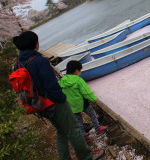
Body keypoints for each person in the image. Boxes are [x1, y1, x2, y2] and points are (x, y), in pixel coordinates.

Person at [12, 31, 104, 160]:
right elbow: (51, 85)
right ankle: (86, 156)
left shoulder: (18, 64)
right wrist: (62, 100)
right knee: (74, 129)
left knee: (61, 132)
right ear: (35, 44)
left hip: (38, 104)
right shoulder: (39, 61)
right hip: (54, 103)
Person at [59, 60, 108, 142]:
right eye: (80, 70)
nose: (80, 72)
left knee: (78, 121)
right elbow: (86, 92)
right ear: (76, 71)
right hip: (82, 103)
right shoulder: (78, 80)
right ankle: (98, 128)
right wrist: (94, 99)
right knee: (92, 114)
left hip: (71, 105)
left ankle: (84, 136)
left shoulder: (62, 81)